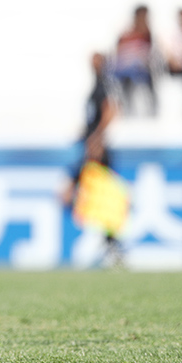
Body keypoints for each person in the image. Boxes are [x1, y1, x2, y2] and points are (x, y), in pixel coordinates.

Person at [63, 53, 128, 268]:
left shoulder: (104, 85)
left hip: (96, 150)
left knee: (99, 197)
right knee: (95, 198)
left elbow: (110, 109)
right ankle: (110, 245)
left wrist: (97, 137)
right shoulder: (97, 85)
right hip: (91, 145)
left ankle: (112, 246)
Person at [113, 4, 158, 116]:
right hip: (126, 70)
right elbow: (119, 54)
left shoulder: (148, 35)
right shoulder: (126, 34)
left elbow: (150, 54)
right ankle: (127, 112)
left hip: (143, 69)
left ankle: (152, 112)